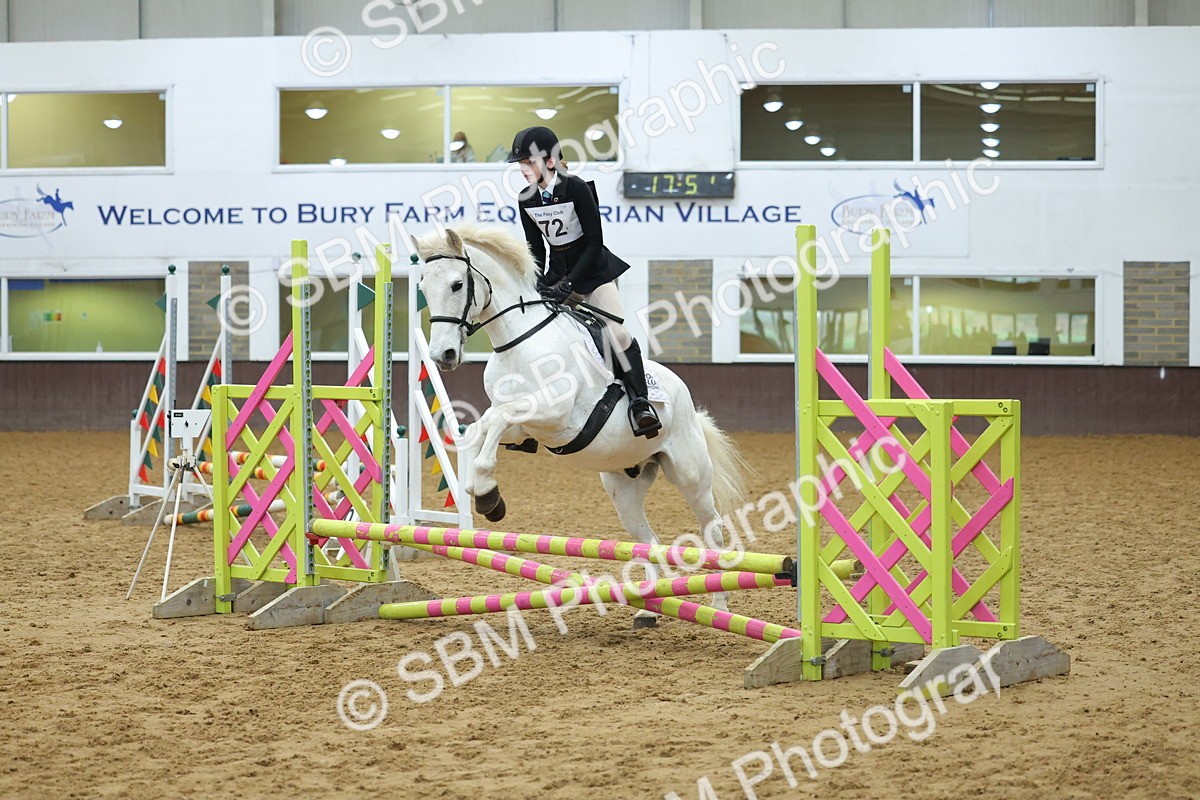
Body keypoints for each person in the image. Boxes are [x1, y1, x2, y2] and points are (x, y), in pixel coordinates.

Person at [508, 125, 661, 438]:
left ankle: (640, 403)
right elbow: (536, 249)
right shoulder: (526, 199)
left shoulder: (576, 188)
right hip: (557, 275)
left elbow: (594, 241)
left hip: (593, 273)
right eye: (521, 164)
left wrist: (572, 283)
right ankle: (529, 419)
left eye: (529, 163)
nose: (523, 170)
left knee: (616, 335)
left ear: (550, 162)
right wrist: (539, 283)